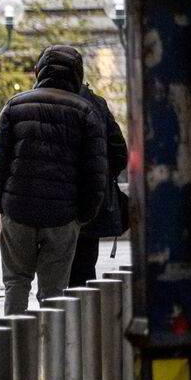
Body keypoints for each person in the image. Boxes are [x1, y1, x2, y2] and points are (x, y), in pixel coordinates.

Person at [0, 45, 108, 315]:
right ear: (77, 74)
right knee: (54, 293)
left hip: (18, 211)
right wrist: (82, 215)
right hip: (62, 216)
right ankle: (52, 349)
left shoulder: (15, 106)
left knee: (16, 282)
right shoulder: (86, 112)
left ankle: (15, 347)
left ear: (39, 71)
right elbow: (95, 173)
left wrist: (0, 203)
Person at [67, 82, 128, 287]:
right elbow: (119, 152)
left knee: (52, 273)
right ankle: (81, 316)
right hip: (89, 203)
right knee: (84, 270)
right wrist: (103, 178)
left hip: (49, 207)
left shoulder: (30, 101)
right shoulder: (96, 103)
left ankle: (52, 315)